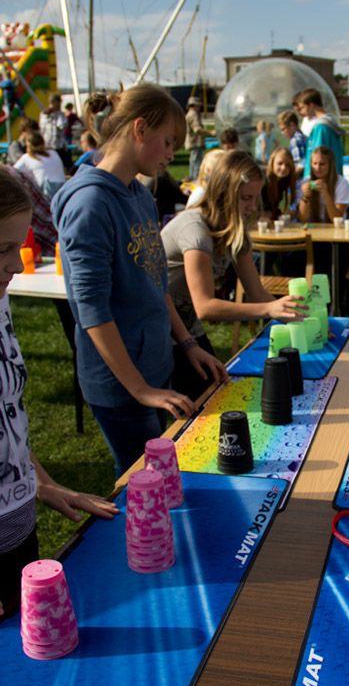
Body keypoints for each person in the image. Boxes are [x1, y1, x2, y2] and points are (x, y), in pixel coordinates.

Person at [51, 84, 227, 477]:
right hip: (120, 383)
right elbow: (92, 311)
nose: (171, 153)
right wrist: (139, 390)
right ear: (139, 129)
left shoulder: (141, 196)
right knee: (142, 482)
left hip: (154, 367)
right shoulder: (89, 204)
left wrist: (186, 344)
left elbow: (156, 284)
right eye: (167, 142)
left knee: (159, 474)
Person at [0, 166, 117, 621]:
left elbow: (8, 415)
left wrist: (41, 484)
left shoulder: (1, 296)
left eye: (20, 244)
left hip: (19, 531)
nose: (16, 262)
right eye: (4, 249)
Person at [161, 150, 305, 399]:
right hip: (156, 328)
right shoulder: (195, 230)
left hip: (185, 326)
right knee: (200, 404)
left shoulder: (234, 229)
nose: (252, 207)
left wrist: (301, 319)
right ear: (222, 195)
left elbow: (257, 292)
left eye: (255, 198)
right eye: (245, 198)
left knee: (213, 394)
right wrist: (268, 311)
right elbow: (205, 307)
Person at [294, 88, 345, 178]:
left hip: (321, 181)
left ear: (311, 105)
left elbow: (317, 157)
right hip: (333, 177)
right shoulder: (331, 123)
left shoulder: (320, 127)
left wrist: (311, 180)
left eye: (303, 107)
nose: (303, 112)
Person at [297, 145, 349, 224]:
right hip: (314, 229)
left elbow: (337, 219)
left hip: (336, 229)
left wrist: (325, 193)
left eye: (322, 164)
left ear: (330, 165)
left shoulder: (341, 183)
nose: (317, 168)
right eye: (315, 163)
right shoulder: (306, 182)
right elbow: (303, 219)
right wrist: (305, 197)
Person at [13, 128, 66, 201]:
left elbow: (12, 172)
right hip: (62, 191)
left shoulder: (27, 158)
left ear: (28, 144)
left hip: (46, 193)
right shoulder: (53, 153)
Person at [263, 146, 297, 220]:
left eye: (287, 165)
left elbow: (272, 209)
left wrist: (282, 214)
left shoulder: (283, 181)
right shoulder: (263, 182)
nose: (283, 167)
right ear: (272, 163)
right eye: (280, 163)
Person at [39, 92, 70, 170]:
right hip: (48, 145)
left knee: (62, 166)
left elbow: (62, 126)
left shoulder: (61, 115)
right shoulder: (44, 114)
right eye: (58, 103)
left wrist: (58, 113)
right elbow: (42, 127)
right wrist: (49, 113)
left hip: (59, 146)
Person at [277, 110, 307, 179]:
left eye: (283, 129)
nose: (282, 133)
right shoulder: (303, 137)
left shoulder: (295, 140)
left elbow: (299, 164)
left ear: (292, 125)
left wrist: (290, 179)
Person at [185, 97, 207, 182]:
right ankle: (195, 179)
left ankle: (191, 177)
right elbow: (197, 129)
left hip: (192, 141)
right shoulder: (194, 115)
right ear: (195, 106)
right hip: (196, 142)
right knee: (197, 162)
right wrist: (210, 133)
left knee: (193, 160)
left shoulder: (189, 114)